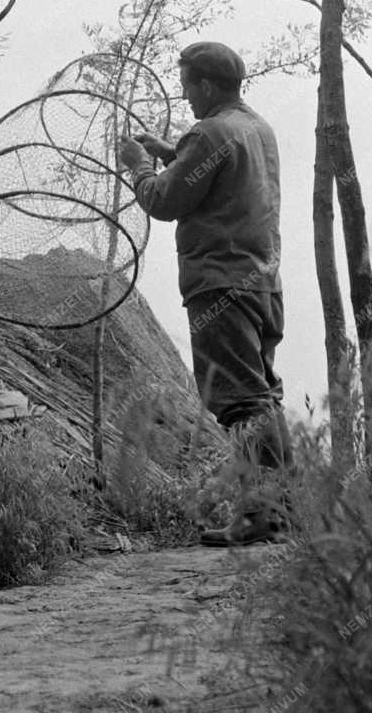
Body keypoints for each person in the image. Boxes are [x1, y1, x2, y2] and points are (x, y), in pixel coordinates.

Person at [117, 41, 295, 546]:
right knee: (263, 397)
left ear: (207, 86)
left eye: (188, 87)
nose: (186, 97)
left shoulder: (210, 130)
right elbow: (222, 174)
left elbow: (165, 201)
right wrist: (173, 153)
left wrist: (139, 165)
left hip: (220, 283)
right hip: (262, 283)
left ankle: (263, 520)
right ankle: (279, 514)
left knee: (241, 403)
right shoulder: (257, 128)